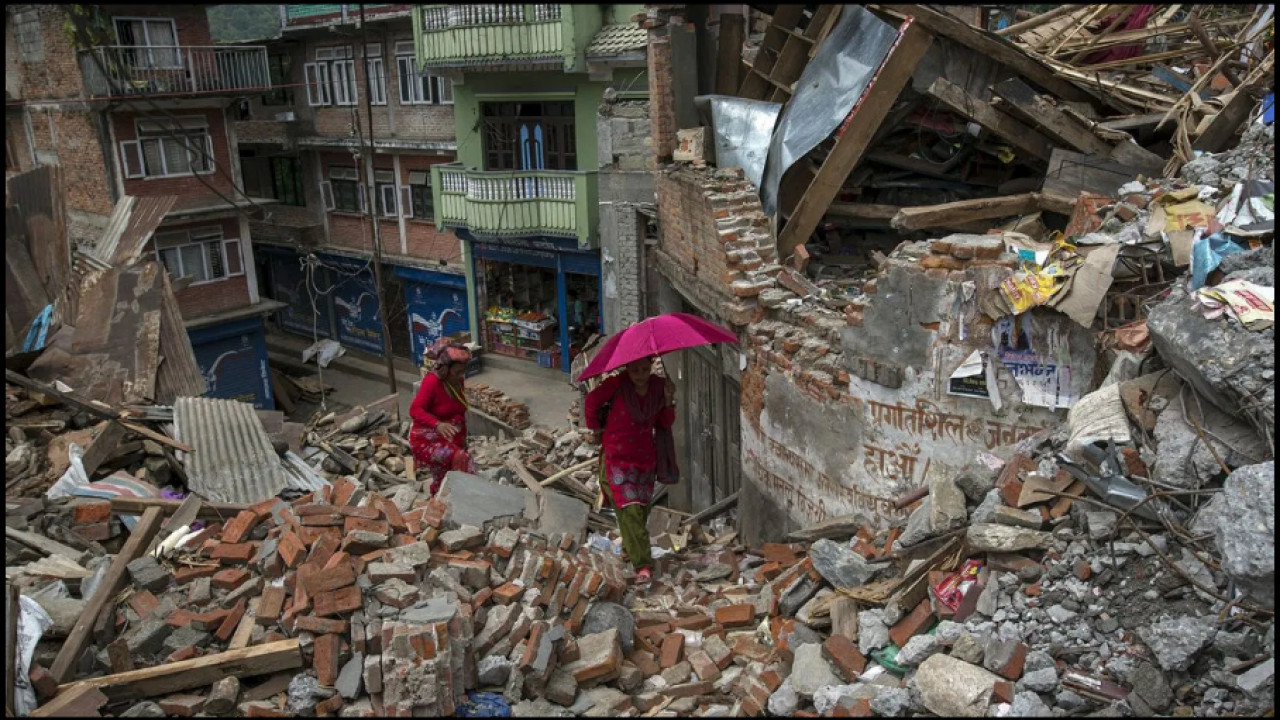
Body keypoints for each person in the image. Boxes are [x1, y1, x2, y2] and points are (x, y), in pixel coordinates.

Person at [583, 355, 677, 584]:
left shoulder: (659, 387)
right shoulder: (616, 385)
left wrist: (668, 401)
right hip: (617, 459)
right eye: (635, 371)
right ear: (627, 368)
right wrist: (596, 430)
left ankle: (629, 548)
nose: (641, 376)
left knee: (640, 511)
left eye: (645, 369)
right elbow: (591, 402)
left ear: (651, 367)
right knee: (630, 510)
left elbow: (664, 423)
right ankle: (643, 564)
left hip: (644, 461)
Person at [409, 342, 477, 496]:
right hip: (427, 438)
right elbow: (415, 410)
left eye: (463, 371)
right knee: (461, 459)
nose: (461, 376)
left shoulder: (457, 381)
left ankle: (440, 499)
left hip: (450, 436)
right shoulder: (432, 382)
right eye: (458, 372)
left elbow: (458, 410)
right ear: (445, 369)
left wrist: (460, 438)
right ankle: (459, 499)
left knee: (446, 475)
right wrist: (437, 424)